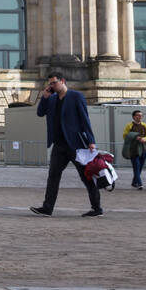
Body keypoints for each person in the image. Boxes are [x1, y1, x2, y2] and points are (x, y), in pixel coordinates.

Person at [30, 72, 102, 217]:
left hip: (75, 145)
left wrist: (91, 141)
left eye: (54, 83)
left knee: (86, 177)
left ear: (62, 81)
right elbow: (40, 113)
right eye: (50, 83)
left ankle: (97, 208)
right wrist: (44, 97)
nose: (51, 86)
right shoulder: (51, 99)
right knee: (53, 177)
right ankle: (47, 208)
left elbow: (84, 118)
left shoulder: (76, 96)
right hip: (59, 145)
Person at [122, 109, 146, 189]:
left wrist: (144, 139)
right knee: (136, 166)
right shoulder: (129, 125)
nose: (140, 117)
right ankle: (139, 184)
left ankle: (134, 182)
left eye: (141, 115)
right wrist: (135, 137)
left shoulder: (145, 125)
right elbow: (125, 136)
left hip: (143, 149)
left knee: (140, 167)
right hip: (133, 150)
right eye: (138, 115)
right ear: (133, 117)